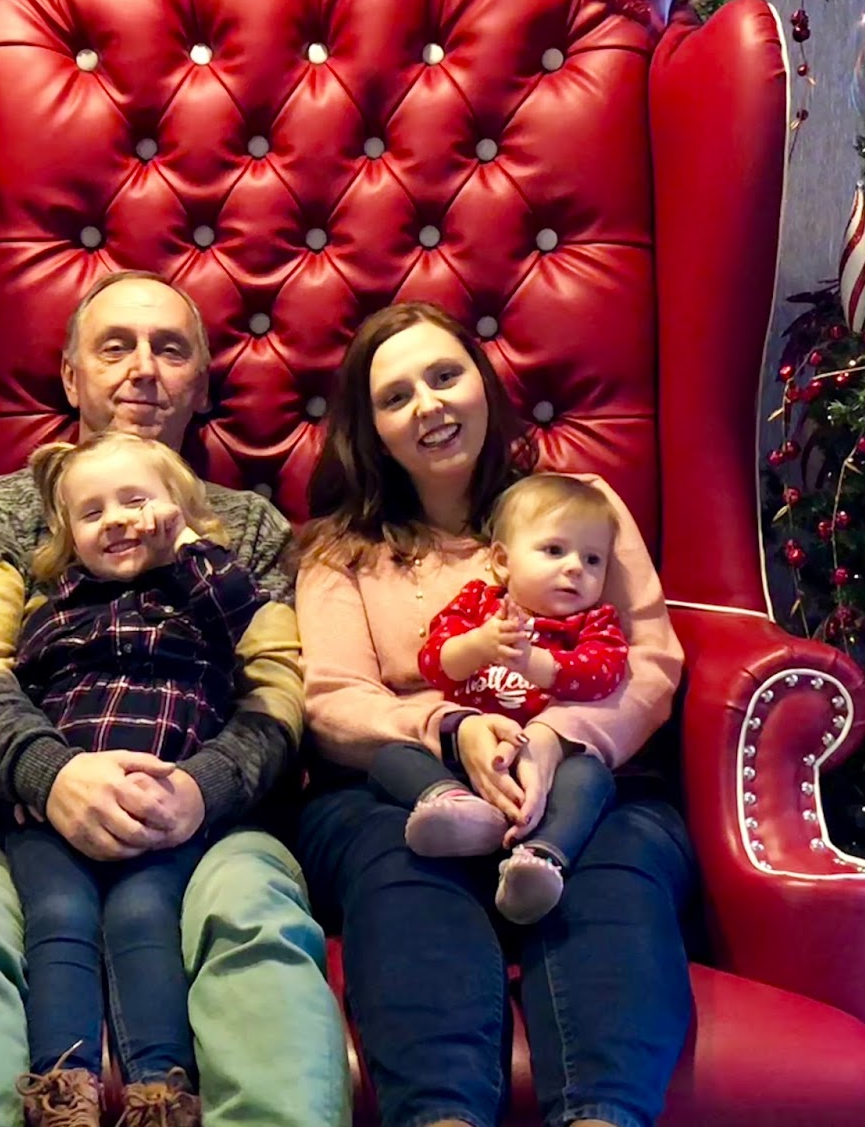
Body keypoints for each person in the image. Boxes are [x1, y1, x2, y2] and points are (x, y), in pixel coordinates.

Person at [0, 271, 349, 1127]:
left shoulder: (246, 527)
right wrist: (54, 776)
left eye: (170, 349)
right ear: (71, 377)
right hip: (16, 822)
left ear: (200, 386)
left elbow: (278, 688)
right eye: (115, 346)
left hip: (213, 824)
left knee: (257, 926)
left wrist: (200, 788)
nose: (143, 368)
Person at [295, 301, 694, 1127]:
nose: (429, 405)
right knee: (404, 861)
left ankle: (602, 1114)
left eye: (445, 376)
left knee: (615, 860)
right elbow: (333, 699)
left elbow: (651, 662)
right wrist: (452, 728)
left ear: (482, 383)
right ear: (372, 431)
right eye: (396, 396)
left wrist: (555, 738)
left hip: (586, 773)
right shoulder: (340, 550)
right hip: (396, 789)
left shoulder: (580, 505)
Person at [7, 432, 272, 1127]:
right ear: (69, 537)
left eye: (136, 501)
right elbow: (20, 696)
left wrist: (183, 543)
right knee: (58, 916)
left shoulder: (201, 601)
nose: (116, 521)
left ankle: (159, 1089)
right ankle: (64, 1089)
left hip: (165, 804)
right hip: (62, 811)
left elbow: (245, 605)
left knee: (143, 915)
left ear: (179, 510)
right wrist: (28, 784)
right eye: (92, 513)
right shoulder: (59, 609)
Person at [369, 473, 630, 925]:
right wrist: (479, 645)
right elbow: (434, 661)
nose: (575, 568)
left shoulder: (593, 622)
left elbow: (603, 674)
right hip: (466, 754)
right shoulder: (477, 605)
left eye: (593, 559)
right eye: (555, 551)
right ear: (503, 561)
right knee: (391, 756)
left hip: (544, 768)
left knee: (592, 777)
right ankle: (458, 810)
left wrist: (537, 664)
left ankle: (539, 860)